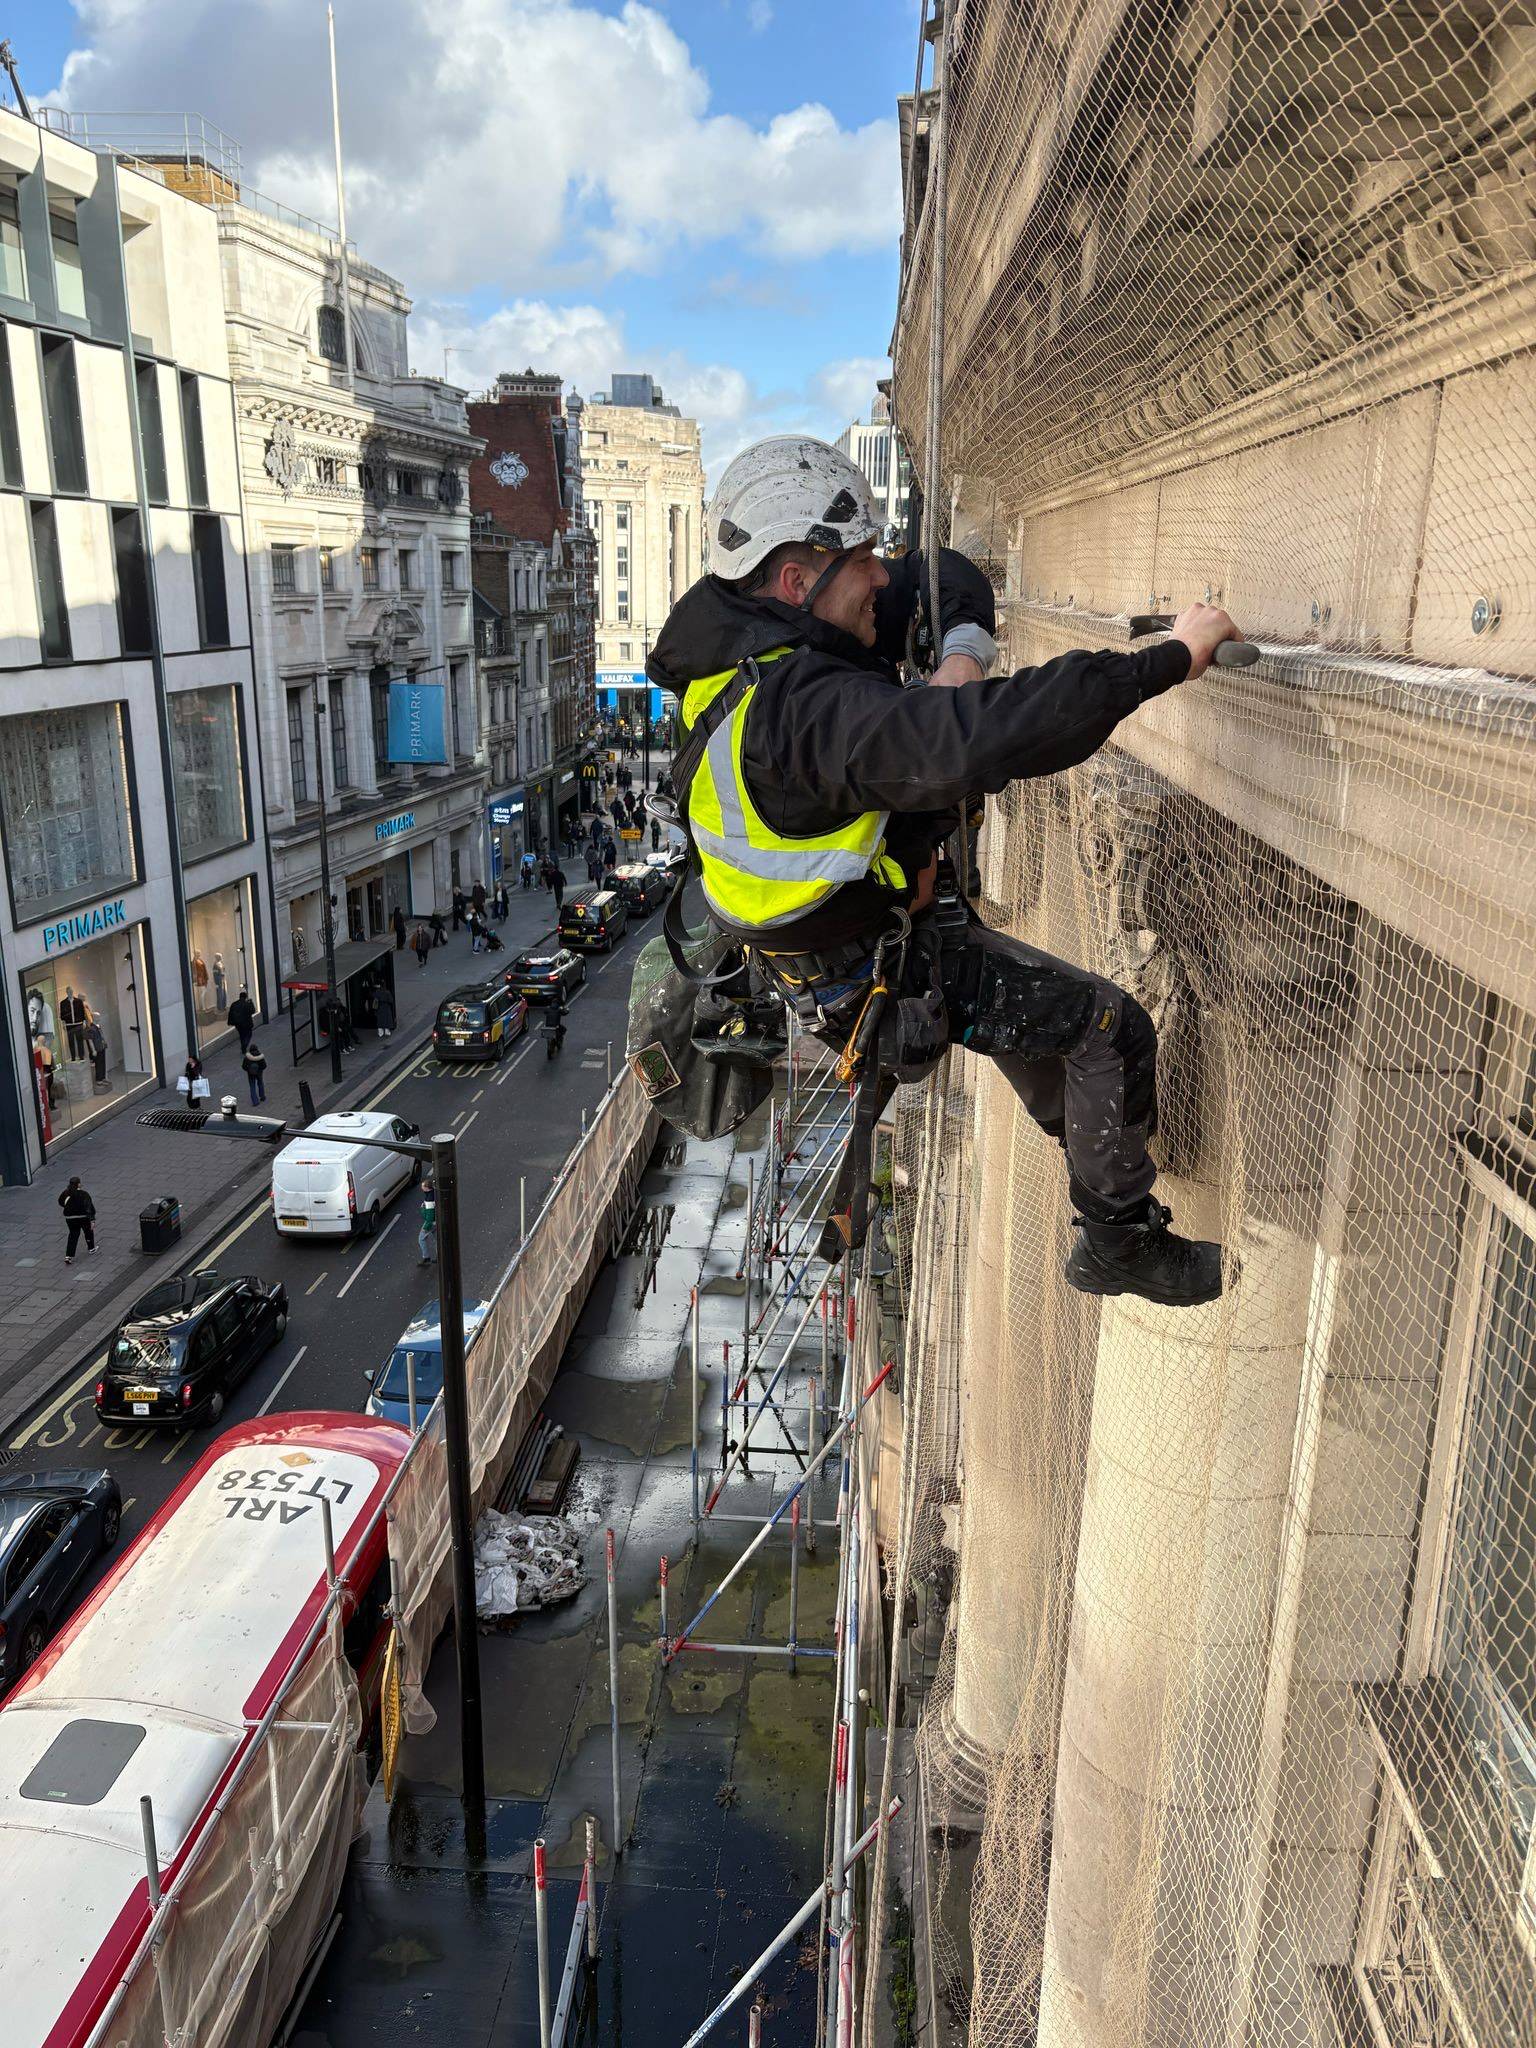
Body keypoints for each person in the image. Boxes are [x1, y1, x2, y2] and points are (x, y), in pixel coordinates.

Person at [648, 433, 1243, 1308]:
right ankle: (1119, 1240)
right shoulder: (799, 715)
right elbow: (983, 736)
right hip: (873, 971)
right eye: (857, 563)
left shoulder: (746, 656)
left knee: (1037, 1022)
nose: (878, 580)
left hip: (847, 946)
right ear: (794, 578)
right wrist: (1166, 661)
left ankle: (1094, 1147)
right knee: (1108, 1029)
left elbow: (940, 574)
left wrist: (957, 653)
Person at [59, 1176, 96, 1263]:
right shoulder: (84, 1194)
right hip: (83, 1217)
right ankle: (91, 1248)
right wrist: (92, 1220)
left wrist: (68, 1207)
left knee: (73, 1235)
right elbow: (89, 1207)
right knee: (88, 1232)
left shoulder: (66, 1193)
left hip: (70, 1218)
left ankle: (68, 1256)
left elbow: (60, 1202)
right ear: (78, 1184)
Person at [59, 986, 90, 1062]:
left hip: (78, 1023)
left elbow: (82, 1012)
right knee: (71, 1042)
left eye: (71, 991)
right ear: (66, 992)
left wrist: (84, 1021)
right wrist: (63, 1023)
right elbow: (62, 1015)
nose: (70, 993)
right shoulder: (63, 1003)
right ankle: (73, 1057)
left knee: (80, 1041)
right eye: (69, 992)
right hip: (69, 1025)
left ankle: (81, 1056)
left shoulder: (79, 1001)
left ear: (73, 992)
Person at [226, 986, 256, 1054]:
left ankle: (243, 1046)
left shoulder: (234, 1004)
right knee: (248, 1034)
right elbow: (253, 1011)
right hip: (247, 1023)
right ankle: (244, 1045)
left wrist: (230, 1022)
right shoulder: (247, 1004)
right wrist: (251, 1003)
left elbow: (230, 1013)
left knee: (242, 1035)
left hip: (238, 1024)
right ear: (245, 997)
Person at [418, 1174, 438, 1265]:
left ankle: (426, 1257)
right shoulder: (433, 1193)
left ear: (427, 1188)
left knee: (421, 1239)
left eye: (423, 1186)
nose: (421, 1188)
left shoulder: (429, 1200)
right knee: (436, 1239)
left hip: (430, 1223)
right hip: (436, 1221)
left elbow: (429, 1216)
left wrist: (422, 1209)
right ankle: (440, 1255)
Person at [242, 1038, 268, 1105]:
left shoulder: (247, 1057)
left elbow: (244, 1066)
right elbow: (264, 1065)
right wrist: (260, 1069)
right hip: (259, 1073)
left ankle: (255, 1101)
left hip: (250, 1074)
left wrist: (248, 1070)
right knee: (260, 1083)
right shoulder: (260, 1056)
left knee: (252, 1086)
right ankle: (262, 1096)